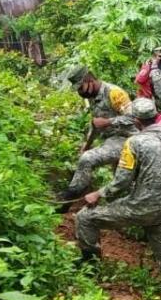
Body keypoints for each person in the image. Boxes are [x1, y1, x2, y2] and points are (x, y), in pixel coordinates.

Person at [75, 98, 161, 285]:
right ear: (155, 115)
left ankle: (91, 267)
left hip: (140, 206)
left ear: (136, 121)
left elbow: (121, 182)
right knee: (160, 235)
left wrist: (98, 194)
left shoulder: (134, 143)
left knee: (84, 218)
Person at [57, 66, 136, 208]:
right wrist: (86, 146)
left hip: (127, 139)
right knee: (123, 181)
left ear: (89, 80)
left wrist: (108, 122)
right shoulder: (93, 97)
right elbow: (95, 125)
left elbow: (134, 118)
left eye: (81, 87)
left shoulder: (114, 93)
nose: (80, 92)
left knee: (88, 159)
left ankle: (67, 199)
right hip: (111, 141)